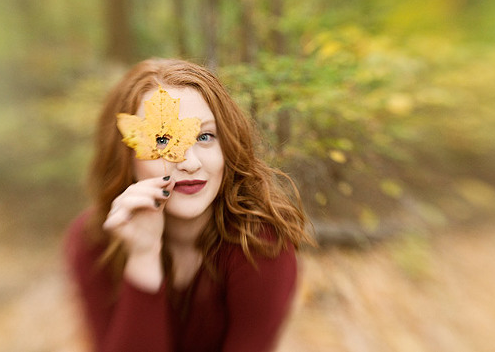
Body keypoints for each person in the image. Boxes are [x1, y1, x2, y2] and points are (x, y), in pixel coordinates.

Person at [65, 58, 314, 352]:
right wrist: (143, 259)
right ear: (124, 157)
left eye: (205, 136)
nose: (191, 163)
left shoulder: (261, 246)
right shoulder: (94, 240)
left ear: (228, 146)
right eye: (161, 141)